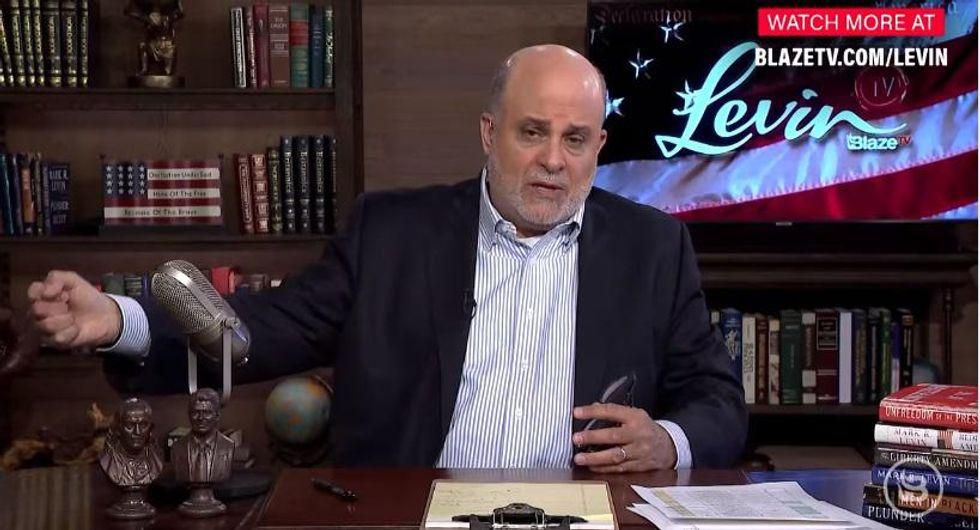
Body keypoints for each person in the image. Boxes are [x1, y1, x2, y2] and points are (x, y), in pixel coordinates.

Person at [27, 44, 747, 471]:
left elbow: (717, 400)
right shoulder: (393, 232)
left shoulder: (653, 247)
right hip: (410, 509)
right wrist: (119, 319)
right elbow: (265, 326)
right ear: (489, 133)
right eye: (533, 132)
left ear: (599, 147)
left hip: (588, 512)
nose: (553, 161)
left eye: (576, 139)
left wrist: (669, 441)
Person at [171, 388, 235, 485]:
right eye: (195, 412)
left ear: (217, 416)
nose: (201, 418)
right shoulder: (177, 448)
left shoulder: (228, 446)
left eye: (207, 412)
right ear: (189, 415)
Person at [99, 398, 164, 487]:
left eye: (143, 425)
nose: (137, 432)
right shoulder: (108, 460)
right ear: (118, 429)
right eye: (130, 425)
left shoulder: (157, 459)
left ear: (150, 428)